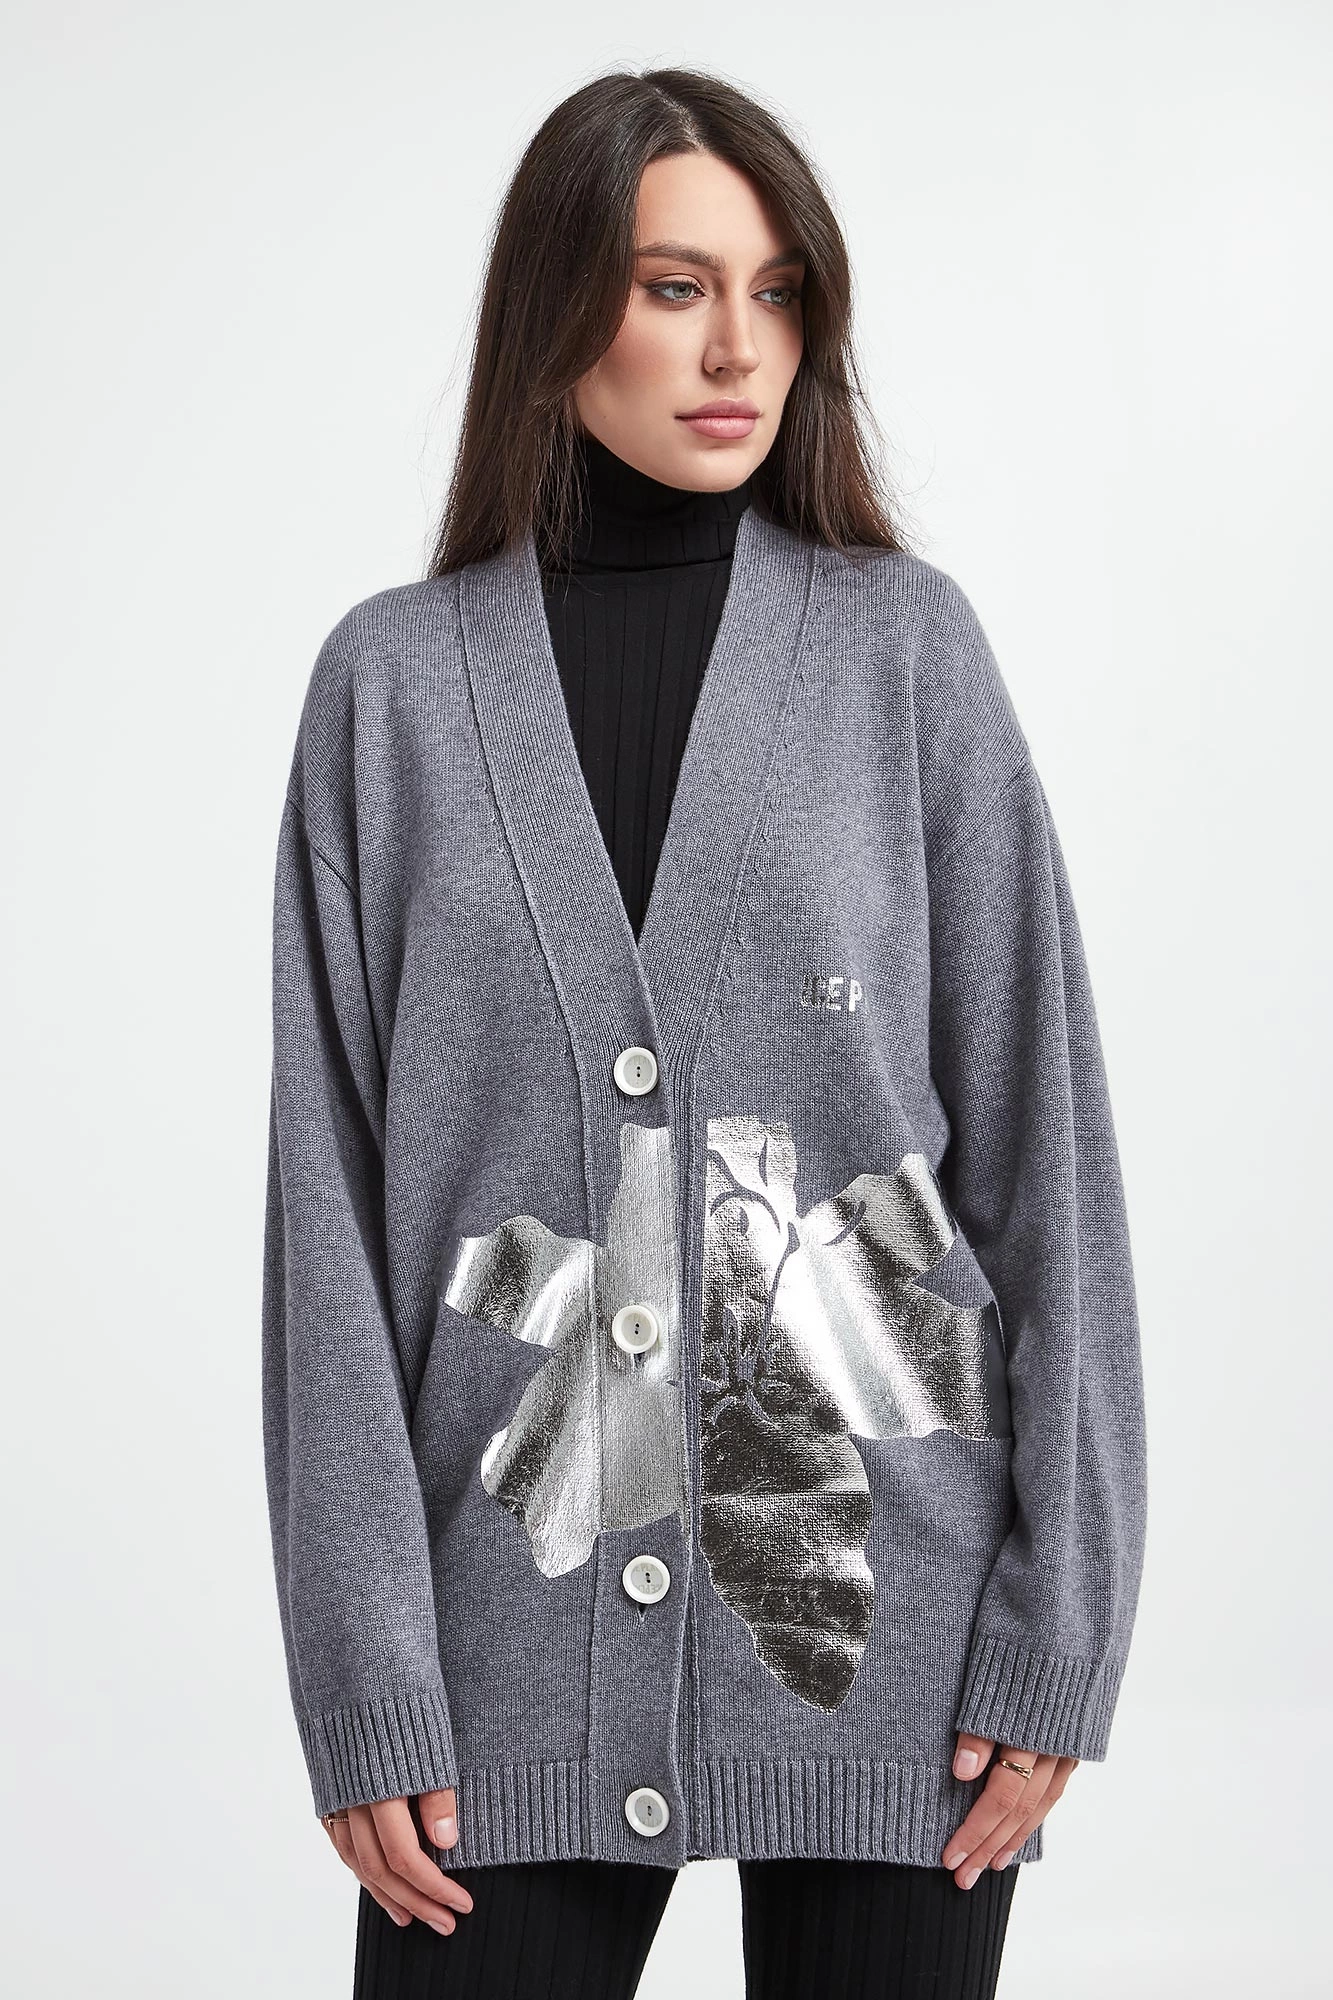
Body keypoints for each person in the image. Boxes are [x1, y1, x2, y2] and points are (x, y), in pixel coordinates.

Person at [261, 66, 1148, 2000]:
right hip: (506, 1649)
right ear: (556, 304)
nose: (740, 346)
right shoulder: (389, 694)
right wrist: (363, 1675)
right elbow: (326, 1227)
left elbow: (1046, 1159)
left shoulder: (907, 655)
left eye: (778, 291)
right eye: (675, 288)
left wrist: (1057, 1633)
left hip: (895, 1647)